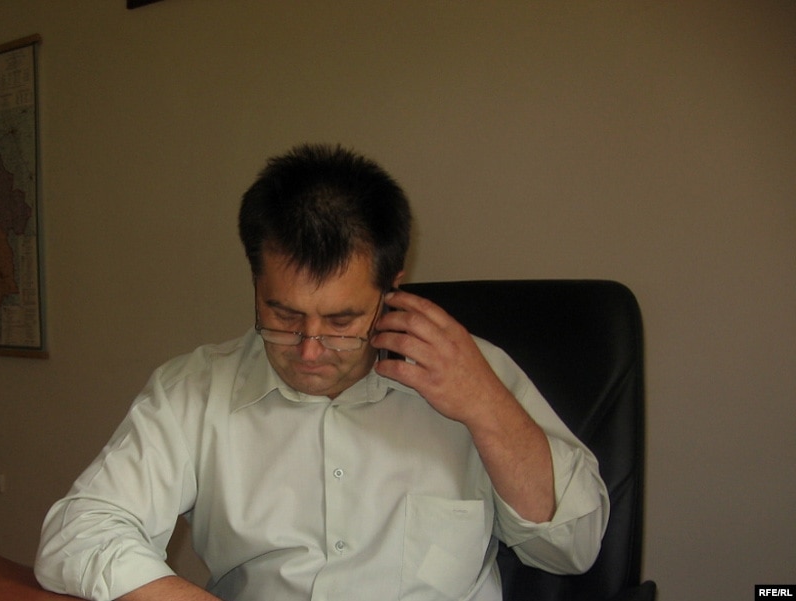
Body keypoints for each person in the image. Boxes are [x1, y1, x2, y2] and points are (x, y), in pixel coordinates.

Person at [35, 144, 609, 601]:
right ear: (255, 282)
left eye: (341, 321)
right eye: (283, 316)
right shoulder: (195, 389)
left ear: (391, 288)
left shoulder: (474, 375)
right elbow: (78, 532)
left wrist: (486, 408)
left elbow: (572, 550)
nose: (310, 351)